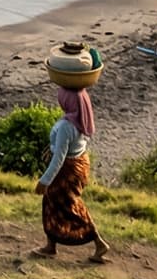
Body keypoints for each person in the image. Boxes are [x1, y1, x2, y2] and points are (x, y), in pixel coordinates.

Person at [34, 81, 108, 262]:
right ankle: (51, 245)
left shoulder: (67, 126)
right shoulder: (79, 118)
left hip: (68, 170)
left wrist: (45, 180)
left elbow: (59, 157)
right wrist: (51, 146)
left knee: (67, 206)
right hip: (79, 164)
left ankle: (98, 242)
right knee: (54, 203)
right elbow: (67, 148)